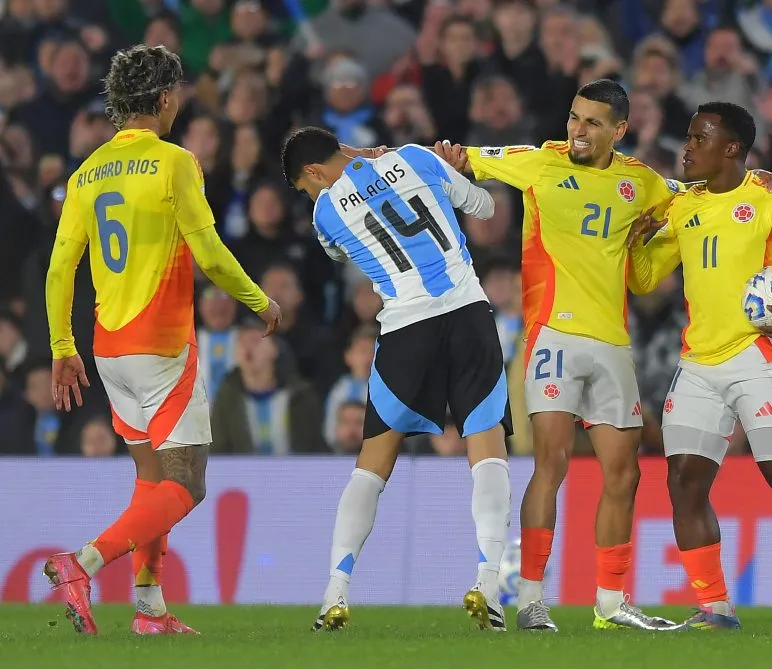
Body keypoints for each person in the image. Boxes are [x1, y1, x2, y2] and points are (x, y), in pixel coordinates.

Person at [434, 79, 772, 632]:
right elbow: (454, 159)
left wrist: (758, 182)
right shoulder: (536, 163)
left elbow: (704, 190)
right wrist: (374, 160)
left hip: (613, 345)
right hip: (552, 335)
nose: (577, 129)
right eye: (574, 117)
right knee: (551, 463)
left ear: (619, 130)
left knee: (623, 476)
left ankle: (609, 602)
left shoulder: (641, 182)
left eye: (593, 122)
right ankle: (529, 598)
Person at [43, 45, 281, 636]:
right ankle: (83, 563)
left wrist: (60, 347)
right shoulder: (175, 162)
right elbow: (209, 253)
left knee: (152, 480)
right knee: (187, 481)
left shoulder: (85, 173)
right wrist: (260, 301)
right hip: (162, 345)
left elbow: (58, 270)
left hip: (108, 348)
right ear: (166, 97)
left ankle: (149, 609)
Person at [627, 102, 772, 631]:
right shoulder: (684, 208)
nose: (686, 148)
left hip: (758, 356)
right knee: (682, 480)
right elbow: (643, 281)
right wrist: (639, 241)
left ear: (731, 148)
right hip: (699, 362)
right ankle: (715, 607)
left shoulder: (771, 203)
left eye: (698, 138)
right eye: (687, 137)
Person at [280, 126, 513, 632]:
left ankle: (334, 592)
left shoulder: (325, 212)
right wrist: (450, 173)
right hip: (468, 312)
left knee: (373, 462)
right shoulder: (415, 157)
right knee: (487, 446)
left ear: (315, 173)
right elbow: (486, 209)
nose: (311, 195)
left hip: (407, 329)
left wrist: (356, 175)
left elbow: (341, 252)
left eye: (306, 186)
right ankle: (490, 584)